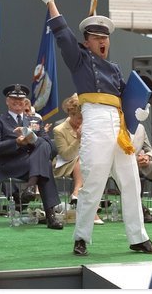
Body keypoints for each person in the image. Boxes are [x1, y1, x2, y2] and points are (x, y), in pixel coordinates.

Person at [38, 0, 152, 256]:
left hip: (119, 126)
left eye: (105, 38)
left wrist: (141, 111)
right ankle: (81, 237)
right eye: (97, 37)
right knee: (92, 182)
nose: (103, 41)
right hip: (95, 121)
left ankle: (138, 237)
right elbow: (63, 34)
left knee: (131, 182)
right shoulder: (79, 59)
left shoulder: (114, 68)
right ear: (87, 41)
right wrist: (52, 4)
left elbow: (128, 96)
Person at [0, 83, 63, 230]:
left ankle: (31, 186)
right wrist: (16, 142)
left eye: (21, 100)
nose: (17, 103)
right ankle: (50, 215)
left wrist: (33, 139)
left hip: (31, 165)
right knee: (45, 164)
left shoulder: (35, 121)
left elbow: (50, 147)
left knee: (43, 146)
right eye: (14, 100)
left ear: (25, 102)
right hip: (12, 165)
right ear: (7, 101)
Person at [53, 93, 104, 225]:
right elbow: (66, 155)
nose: (82, 121)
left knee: (92, 164)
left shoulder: (91, 126)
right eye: (79, 118)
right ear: (71, 114)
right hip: (65, 164)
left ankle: (80, 198)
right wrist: (78, 139)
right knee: (80, 159)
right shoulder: (59, 130)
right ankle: (83, 200)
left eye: (84, 118)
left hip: (88, 162)